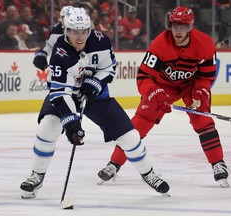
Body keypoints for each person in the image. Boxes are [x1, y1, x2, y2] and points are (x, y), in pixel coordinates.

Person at [20, 7, 169, 199]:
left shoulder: (101, 41)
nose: (80, 37)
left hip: (97, 97)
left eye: (83, 31)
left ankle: (149, 173)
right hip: (67, 95)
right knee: (48, 126)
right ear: (67, 31)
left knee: (130, 136)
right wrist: (72, 123)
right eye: (75, 32)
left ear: (89, 29)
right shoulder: (60, 52)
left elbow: (109, 67)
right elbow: (59, 93)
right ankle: (37, 175)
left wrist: (96, 82)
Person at [97, 6, 230, 188]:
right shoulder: (160, 44)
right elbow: (143, 77)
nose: (178, 31)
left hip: (191, 86)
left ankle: (218, 163)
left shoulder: (205, 43)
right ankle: (114, 164)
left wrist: (200, 92)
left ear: (191, 27)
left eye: (182, 27)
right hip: (163, 85)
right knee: (139, 123)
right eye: (175, 26)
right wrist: (155, 93)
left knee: (203, 122)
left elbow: (206, 76)